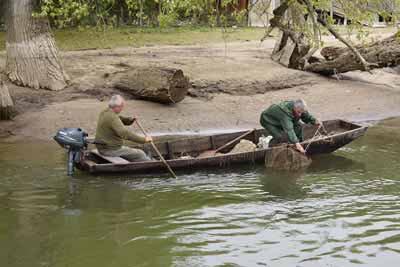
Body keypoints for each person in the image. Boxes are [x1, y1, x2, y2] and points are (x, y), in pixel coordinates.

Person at [95, 95, 153, 162]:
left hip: (104, 148)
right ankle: (152, 164)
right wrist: (144, 140)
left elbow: (118, 119)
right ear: (117, 106)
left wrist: (129, 120)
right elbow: (125, 134)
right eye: (122, 107)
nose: (122, 109)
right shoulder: (112, 117)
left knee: (137, 151)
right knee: (140, 154)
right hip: (110, 150)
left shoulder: (105, 111)